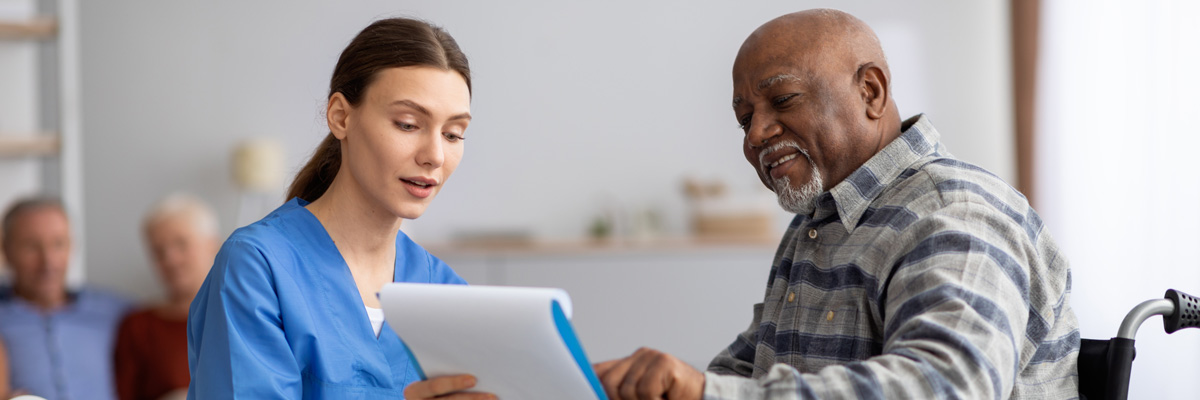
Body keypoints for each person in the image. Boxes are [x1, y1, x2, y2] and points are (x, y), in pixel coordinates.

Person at [411, 8, 1079, 400]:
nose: (757, 132)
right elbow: (748, 374)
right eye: (744, 117)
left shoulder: (955, 214)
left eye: (781, 100)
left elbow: (949, 384)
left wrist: (706, 392)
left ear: (871, 92)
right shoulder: (820, 225)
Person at [187, 17, 473, 398]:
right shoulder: (257, 268)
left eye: (453, 134)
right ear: (341, 116)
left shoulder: (446, 291)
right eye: (407, 124)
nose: (435, 155)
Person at [0, 197, 131, 400]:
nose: (48, 261)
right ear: (6, 251)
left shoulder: (112, 311)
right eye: (31, 246)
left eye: (58, 244)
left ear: (72, 247)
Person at [114, 194, 220, 400]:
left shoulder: (245, 315)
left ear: (213, 244)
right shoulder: (139, 326)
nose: (170, 259)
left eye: (181, 244)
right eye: (158, 251)